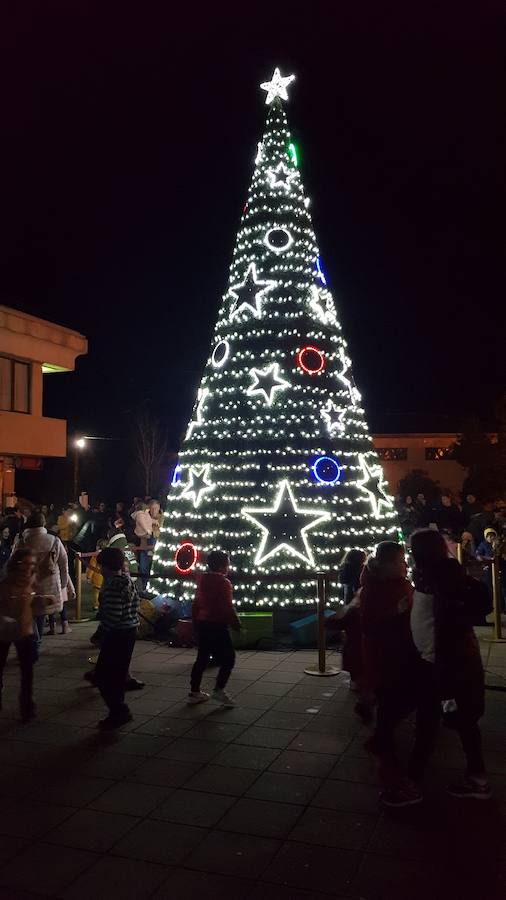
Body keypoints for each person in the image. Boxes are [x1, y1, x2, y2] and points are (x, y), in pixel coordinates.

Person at [411, 529, 492, 799]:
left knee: (433, 721)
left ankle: (412, 782)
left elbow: (443, 624)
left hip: (444, 662)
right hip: (448, 659)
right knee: (458, 722)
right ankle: (476, 778)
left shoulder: (440, 578)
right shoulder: (442, 573)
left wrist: (442, 672)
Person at [360, 542, 439, 807]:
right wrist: (400, 612)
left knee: (395, 705)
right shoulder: (383, 588)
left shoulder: (390, 584)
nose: (406, 565)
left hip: (400, 658)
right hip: (396, 659)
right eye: (401, 560)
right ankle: (399, 775)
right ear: (389, 563)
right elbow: (371, 624)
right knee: (402, 705)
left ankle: (383, 741)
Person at [0, 549, 53, 720]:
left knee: (27, 670)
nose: (28, 568)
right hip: (4, 630)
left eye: (31, 564)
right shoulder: (6, 582)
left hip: (25, 629)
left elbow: (30, 599)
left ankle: (27, 705)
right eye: (25, 563)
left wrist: (43, 599)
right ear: (17, 563)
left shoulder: (32, 579)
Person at [93, 547, 140, 729]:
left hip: (116, 634)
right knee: (117, 674)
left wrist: (100, 633)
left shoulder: (112, 585)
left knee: (104, 677)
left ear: (105, 566)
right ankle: (118, 710)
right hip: (129, 630)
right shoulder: (127, 582)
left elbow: (113, 615)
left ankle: (118, 710)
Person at [188, 550, 241, 707]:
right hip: (217, 624)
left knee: (202, 658)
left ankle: (194, 691)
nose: (229, 567)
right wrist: (235, 622)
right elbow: (227, 606)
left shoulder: (201, 579)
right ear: (222, 566)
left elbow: (196, 603)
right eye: (228, 563)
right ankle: (219, 689)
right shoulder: (224, 583)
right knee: (229, 658)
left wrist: (195, 623)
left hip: (203, 623)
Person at [14, 512, 71, 642]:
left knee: (30, 614)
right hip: (49, 585)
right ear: (44, 524)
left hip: (27, 585)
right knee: (40, 614)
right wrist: (63, 584)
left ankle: (34, 641)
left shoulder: (22, 541)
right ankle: (36, 643)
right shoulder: (54, 540)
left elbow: (12, 564)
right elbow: (63, 563)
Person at [131, 502, 154, 588]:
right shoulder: (141, 515)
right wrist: (148, 531)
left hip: (146, 535)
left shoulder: (144, 515)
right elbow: (143, 524)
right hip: (145, 535)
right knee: (144, 557)